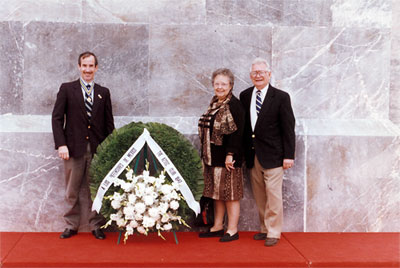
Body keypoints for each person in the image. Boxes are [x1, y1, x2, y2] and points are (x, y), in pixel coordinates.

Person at [52, 51, 115, 239]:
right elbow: (56, 119)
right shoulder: (67, 89)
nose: (88, 69)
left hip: (98, 149)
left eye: (91, 66)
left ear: (96, 68)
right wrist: (61, 145)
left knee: (96, 188)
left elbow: (109, 124)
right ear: (79, 67)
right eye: (84, 65)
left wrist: (109, 150)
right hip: (72, 148)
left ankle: (96, 225)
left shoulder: (103, 92)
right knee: (72, 189)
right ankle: (71, 225)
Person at [240, 58, 295, 247]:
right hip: (253, 155)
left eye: (261, 72)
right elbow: (245, 127)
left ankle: (274, 231)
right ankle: (264, 228)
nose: (258, 75)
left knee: (273, 195)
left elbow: (288, 128)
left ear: (269, 74)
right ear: (250, 75)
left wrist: (289, 155)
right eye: (255, 72)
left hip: (274, 156)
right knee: (260, 195)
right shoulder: (245, 95)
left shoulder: (281, 97)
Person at [198, 68, 245, 242]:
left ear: (231, 85)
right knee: (217, 194)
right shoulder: (214, 103)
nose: (219, 87)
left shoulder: (234, 105)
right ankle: (217, 226)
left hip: (228, 159)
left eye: (223, 84)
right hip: (213, 158)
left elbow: (237, 133)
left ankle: (232, 229)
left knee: (230, 195)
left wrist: (230, 154)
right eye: (217, 83)